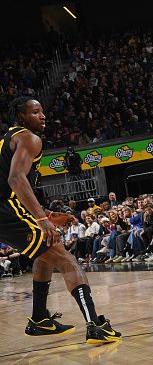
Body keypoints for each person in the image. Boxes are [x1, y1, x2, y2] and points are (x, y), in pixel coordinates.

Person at [0, 96, 120, 344]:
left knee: (44, 256)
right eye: (35, 112)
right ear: (21, 116)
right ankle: (95, 325)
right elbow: (15, 181)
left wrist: (50, 216)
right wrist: (43, 219)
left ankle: (39, 319)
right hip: (6, 209)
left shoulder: (7, 138)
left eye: (42, 111)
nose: (42, 116)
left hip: (6, 209)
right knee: (68, 260)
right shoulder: (29, 139)